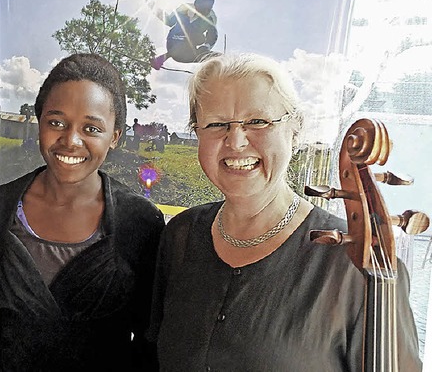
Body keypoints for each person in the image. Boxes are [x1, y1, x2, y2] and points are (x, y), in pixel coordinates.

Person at [148, 53, 422, 371]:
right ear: (197, 133)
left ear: (294, 131)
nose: (235, 141)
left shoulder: (358, 266)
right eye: (217, 124)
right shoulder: (180, 236)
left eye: (258, 121)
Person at [0, 53, 164, 371]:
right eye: (56, 123)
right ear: (39, 122)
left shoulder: (141, 223)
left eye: (91, 128)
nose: (71, 140)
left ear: (114, 136)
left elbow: (149, 339)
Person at [149, 0, 219, 70]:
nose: (205, 13)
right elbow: (169, 20)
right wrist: (153, 8)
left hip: (188, 51)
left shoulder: (211, 17)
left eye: (208, 10)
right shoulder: (184, 8)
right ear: (196, 3)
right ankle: (162, 58)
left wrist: (207, 47)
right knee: (197, 36)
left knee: (201, 39)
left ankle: (216, 60)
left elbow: (213, 35)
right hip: (174, 41)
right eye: (203, 9)